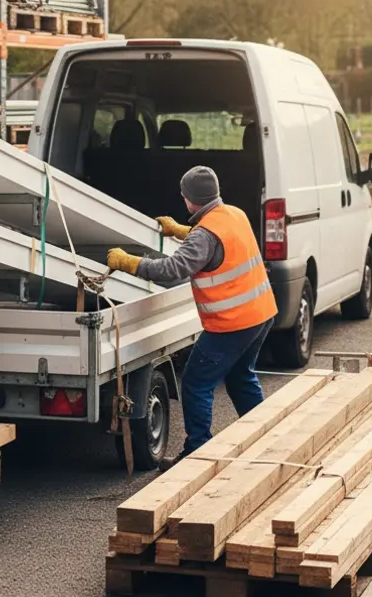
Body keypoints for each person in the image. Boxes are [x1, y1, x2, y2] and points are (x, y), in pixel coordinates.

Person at [105, 165, 278, 469]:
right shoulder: (233, 214)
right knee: (241, 377)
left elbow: (172, 270)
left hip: (232, 323)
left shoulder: (204, 236)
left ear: (188, 199)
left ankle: (197, 453)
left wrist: (128, 262)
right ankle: (268, 443)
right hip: (261, 314)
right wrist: (181, 231)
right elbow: (214, 243)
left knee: (196, 384)